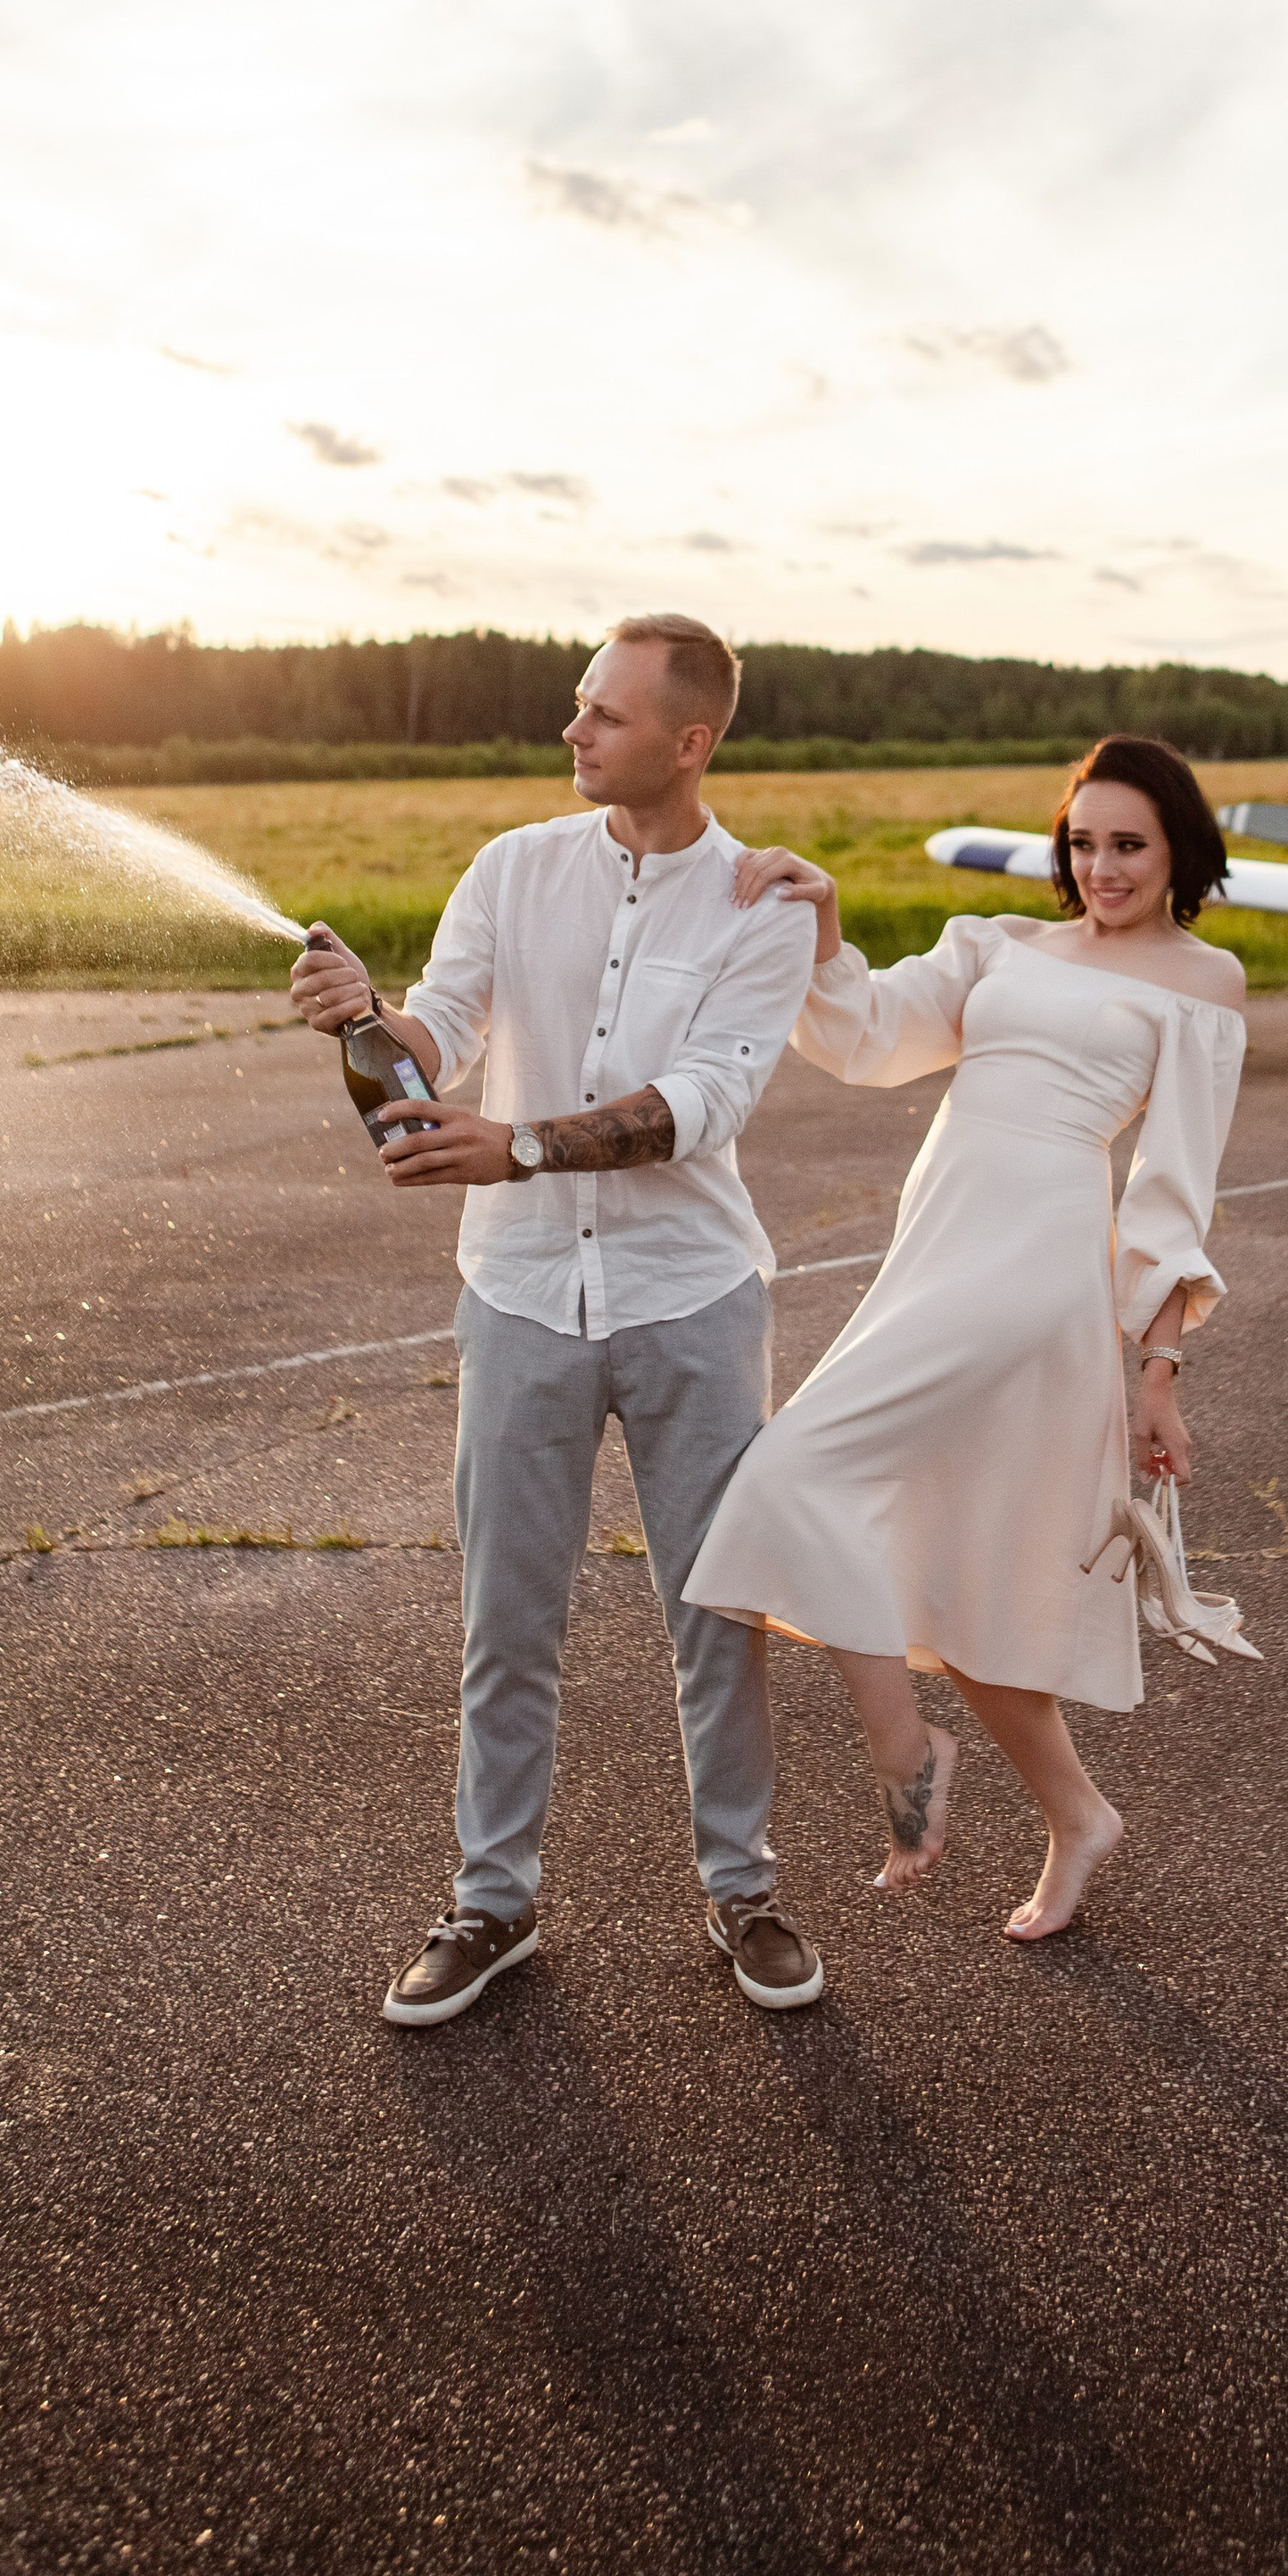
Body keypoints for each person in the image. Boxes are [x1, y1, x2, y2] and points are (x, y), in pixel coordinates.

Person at [291, 615, 824, 2027]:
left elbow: (701, 1105)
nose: (572, 732)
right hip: (519, 1298)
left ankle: (743, 1891)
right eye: (579, 705)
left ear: (689, 741)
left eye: (603, 715)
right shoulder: (510, 869)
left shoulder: (766, 908)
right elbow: (439, 1038)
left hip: (693, 1302)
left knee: (718, 1613)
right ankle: (492, 1905)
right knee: (506, 1613)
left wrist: (515, 1147)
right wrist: (366, 1023)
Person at [685, 736, 1250, 1942]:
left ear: (1177, 850)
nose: (1102, 867)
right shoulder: (998, 943)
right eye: (1084, 842)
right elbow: (871, 1038)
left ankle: (906, 1754)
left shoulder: (1206, 982)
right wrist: (827, 928)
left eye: (1129, 845)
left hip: (1035, 1269)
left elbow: (1171, 1191)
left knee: (791, 1475)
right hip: (934, 1250)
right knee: (964, 1577)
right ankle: (1078, 1816)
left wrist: (1159, 1372)